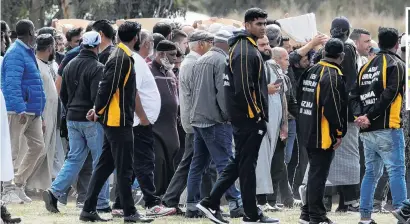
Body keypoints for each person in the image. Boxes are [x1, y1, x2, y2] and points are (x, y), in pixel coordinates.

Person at [197, 8, 279, 224]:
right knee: (246, 165)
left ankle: (225, 206)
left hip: (246, 118)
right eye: (258, 23)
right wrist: (257, 116)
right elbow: (243, 89)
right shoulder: (244, 50)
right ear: (247, 25)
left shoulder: (247, 47)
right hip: (248, 119)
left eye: (264, 23)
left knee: (241, 164)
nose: (262, 27)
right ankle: (225, 206)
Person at [80, 22, 153, 223]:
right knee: (125, 168)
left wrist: (98, 111)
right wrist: (98, 111)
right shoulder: (121, 58)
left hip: (117, 120)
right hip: (118, 122)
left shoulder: (122, 56)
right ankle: (130, 212)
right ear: (136, 38)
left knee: (105, 166)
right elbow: (106, 87)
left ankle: (88, 209)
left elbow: (108, 87)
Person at [42, 31, 110, 214]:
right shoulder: (98, 67)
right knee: (100, 160)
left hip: (72, 117)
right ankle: (101, 201)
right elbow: (98, 97)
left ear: (81, 45)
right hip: (91, 119)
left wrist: (71, 108)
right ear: (97, 46)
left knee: (74, 158)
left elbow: (62, 94)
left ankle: (55, 192)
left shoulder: (69, 64)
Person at [185, 30, 245, 218]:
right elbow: (222, 94)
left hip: (199, 118)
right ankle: (236, 203)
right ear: (228, 44)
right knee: (225, 163)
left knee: (198, 164)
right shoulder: (221, 61)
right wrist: (228, 116)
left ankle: (192, 206)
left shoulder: (200, 59)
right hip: (215, 121)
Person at [350, 27, 406, 224]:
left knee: (371, 173)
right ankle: (403, 215)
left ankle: (365, 217)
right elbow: (389, 96)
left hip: (367, 130)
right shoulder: (397, 64)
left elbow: (354, 95)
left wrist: (360, 116)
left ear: (379, 43)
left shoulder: (366, 65)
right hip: (388, 127)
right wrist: (369, 116)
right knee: (396, 171)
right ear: (397, 45)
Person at [161, 31, 215, 215]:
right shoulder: (194, 64)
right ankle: (171, 198)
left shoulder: (191, 62)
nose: (212, 46)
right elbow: (197, 95)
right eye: (209, 42)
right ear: (200, 44)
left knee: (196, 162)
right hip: (195, 121)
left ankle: (194, 200)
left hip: (192, 119)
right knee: (191, 161)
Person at [298, 38, 348, 224]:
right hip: (322, 133)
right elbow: (333, 108)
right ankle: (317, 216)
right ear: (341, 56)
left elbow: (298, 97)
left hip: (307, 129)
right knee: (319, 175)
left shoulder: (311, 70)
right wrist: (339, 132)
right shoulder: (332, 75)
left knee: (314, 174)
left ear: (325, 52)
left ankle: (306, 213)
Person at [1, 19, 46, 204]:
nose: (35, 34)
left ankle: (18, 183)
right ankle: (7, 190)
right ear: (29, 32)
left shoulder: (27, 52)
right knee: (11, 151)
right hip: (18, 110)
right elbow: (11, 84)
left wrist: (39, 113)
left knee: (38, 147)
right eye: (34, 31)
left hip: (32, 111)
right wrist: (19, 108)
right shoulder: (15, 53)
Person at [255, 37, 287, 212]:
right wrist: (263, 89)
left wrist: (284, 124)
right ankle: (259, 201)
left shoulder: (272, 66)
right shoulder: (253, 65)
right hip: (260, 122)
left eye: (268, 44)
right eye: (262, 45)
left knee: (268, 162)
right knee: (260, 161)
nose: (267, 48)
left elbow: (282, 97)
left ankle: (264, 200)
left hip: (274, 124)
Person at [148, 40, 180, 197]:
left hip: (171, 126)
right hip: (155, 126)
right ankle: (157, 196)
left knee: (172, 162)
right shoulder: (148, 71)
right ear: (160, 54)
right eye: (172, 55)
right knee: (158, 163)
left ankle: (169, 198)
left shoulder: (170, 72)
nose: (175, 58)